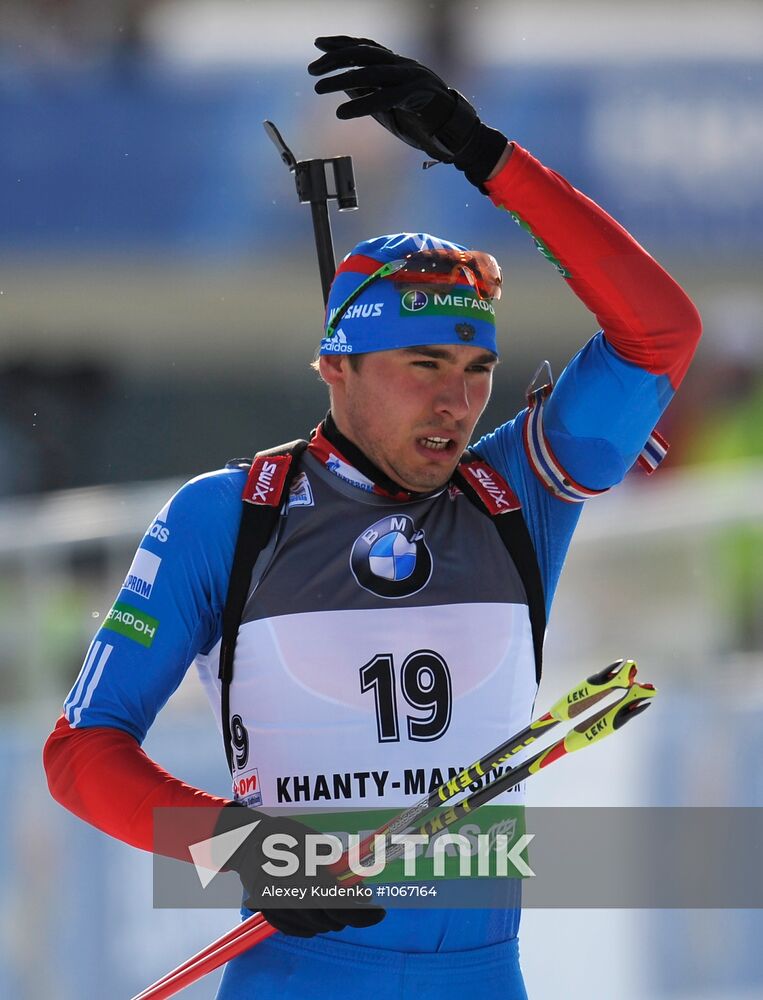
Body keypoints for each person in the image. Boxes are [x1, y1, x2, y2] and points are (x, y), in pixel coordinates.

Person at [43, 36, 701, 1000]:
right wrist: (246, 850)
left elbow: (660, 334)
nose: (456, 403)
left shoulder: (517, 490)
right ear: (336, 367)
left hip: (481, 978)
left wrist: (484, 155)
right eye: (423, 365)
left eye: (476, 370)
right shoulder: (227, 517)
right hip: (302, 974)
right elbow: (82, 752)